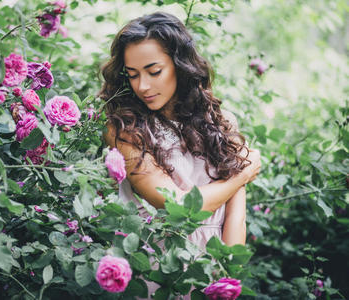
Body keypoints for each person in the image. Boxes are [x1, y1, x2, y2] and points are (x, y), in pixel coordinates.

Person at [100, 12, 261, 251]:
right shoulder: (124, 129)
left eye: (154, 72)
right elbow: (179, 207)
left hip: (212, 268)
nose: (142, 86)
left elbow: (236, 218)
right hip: (155, 268)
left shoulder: (223, 122)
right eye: (133, 74)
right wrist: (242, 176)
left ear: (180, 66)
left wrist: (226, 277)